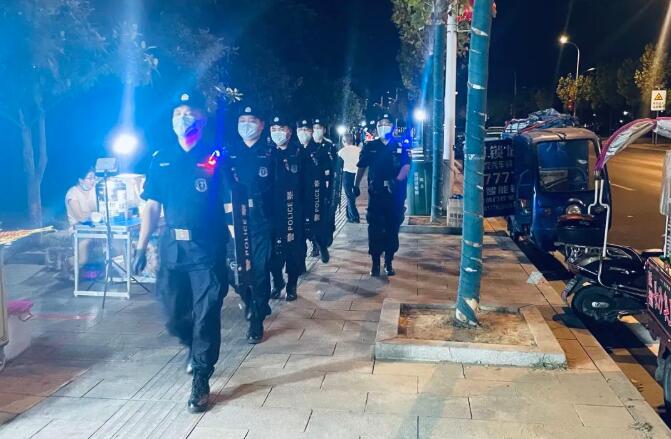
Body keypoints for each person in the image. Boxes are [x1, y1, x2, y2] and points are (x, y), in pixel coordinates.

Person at [132, 92, 227, 413]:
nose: (182, 118)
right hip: (172, 248)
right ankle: (191, 343)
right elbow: (151, 206)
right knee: (174, 314)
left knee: (207, 312)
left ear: (202, 118)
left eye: (189, 112)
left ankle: (201, 376)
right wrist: (141, 246)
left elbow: (231, 204)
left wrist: (239, 251)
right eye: (177, 113)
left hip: (207, 248)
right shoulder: (161, 158)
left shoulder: (215, 156)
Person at [221, 105, 273, 343]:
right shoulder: (228, 154)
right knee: (236, 273)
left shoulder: (270, 154)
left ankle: (256, 321)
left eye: (251, 120)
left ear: (261, 125)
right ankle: (250, 302)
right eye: (242, 120)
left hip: (261, 224)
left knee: (259, 272)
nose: (246, 125)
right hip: (234, 224)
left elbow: (278, 192)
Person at [354, 113, 411, 276]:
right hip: (376, 195)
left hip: (394, 195)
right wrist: (356, 185)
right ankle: (375, 263)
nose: (383, 126)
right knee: (375, 229)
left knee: (392, 228)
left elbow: (406, 167)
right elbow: (362, 166)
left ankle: (389, 261)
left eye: (387, 123)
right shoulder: (370, 146)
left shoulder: (400, 145)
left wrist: (397, 180)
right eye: (380, 124)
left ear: (393, 126)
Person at [268, 115, 306, 301]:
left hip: (293, 210)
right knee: (272, 252)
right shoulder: (267, 153)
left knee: (293, 250)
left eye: (280, 128)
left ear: (289, 131)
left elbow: (306, 185)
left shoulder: (299, 153)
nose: (277, 132)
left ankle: (291, 284)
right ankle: (277, 281)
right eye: (273, 129)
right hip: (272, 211)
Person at [65, 167, 98, 266]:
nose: (93, 181)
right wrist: (94, 215)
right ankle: (65, 263)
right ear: (81, 180)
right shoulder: (72, 194)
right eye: (90, 178)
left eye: (94, 178)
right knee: (82, 260)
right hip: (79, 230)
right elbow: (80, 217)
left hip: (97, 228)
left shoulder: (94, 191)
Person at [337, 133, 362, 223]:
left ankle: (355, 216)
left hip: (347, 174)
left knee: (349, 196)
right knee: (352, 195)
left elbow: (338, 166)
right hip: (357, 174)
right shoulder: (359, 150)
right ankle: (348, 215)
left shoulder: (341, 152)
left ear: (344, 141)